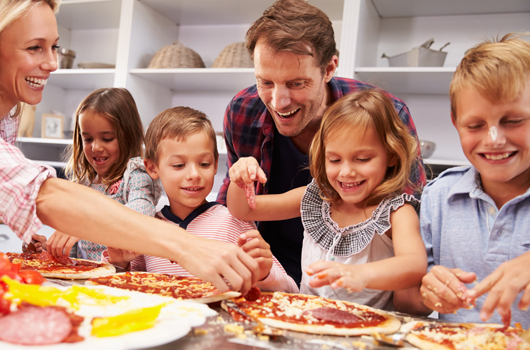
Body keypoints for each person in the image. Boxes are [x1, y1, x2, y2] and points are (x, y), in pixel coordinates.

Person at [0, 0, 261, 294]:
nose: (51, 63)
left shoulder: (5, 114)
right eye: (35, 48)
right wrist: (185, 245)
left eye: (54, 47)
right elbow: (44, 196)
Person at [218, 0, 426, 286]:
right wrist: (240, 178)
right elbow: (241, 210)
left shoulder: (386, 116)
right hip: (275, 277)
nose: (278, 102)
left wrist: (365, 279)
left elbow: (415, 252)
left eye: (296, 83)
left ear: (329, 68)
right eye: (265, 82)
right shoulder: (242, 112)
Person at [228, 89, 427, 310]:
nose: (346, 172)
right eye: (334, 159)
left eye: (362, 159)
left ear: (391, 155)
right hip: (307, 324)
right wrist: (240, 178)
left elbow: (414, 265)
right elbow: (244, 210)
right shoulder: (316, 199)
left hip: (366, 334)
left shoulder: (396, 212)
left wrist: (357, 274)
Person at [394, 34, 530, 328]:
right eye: (475, 125)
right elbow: (405, 300)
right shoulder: (438, 195)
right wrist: (427, 293)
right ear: (456, 123)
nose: (494, 140)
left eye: (513, 121)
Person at [107, 106, 298, 293]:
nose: (194, 174)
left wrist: (264, 275)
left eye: (204, 164)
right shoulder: (148, 228)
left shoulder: (233, 222)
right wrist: (119, 263)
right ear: (152, 168)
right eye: (179, 165)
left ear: (215, 164)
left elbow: (290, 290)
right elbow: (128, 291)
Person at [35, 88, 161, 261]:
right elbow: (76, 251)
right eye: (87, 139)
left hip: (121, 278)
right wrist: (47, 248)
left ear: (129, 136)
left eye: (107, 138)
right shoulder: (83, 183)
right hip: (87, 278)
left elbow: (139, 216)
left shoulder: (136, 175)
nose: (95, 147)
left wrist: (82, 224)